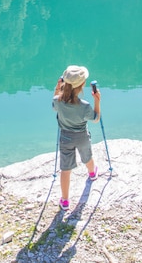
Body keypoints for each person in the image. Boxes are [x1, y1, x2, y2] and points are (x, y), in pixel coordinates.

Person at [52, 64, 101, 211]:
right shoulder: (84, 106)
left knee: (65, 169)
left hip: (65, 137)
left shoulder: (57, 101)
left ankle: (65, 201)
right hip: (82, 136)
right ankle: (92, 173)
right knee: (87, 155)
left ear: (64, 83)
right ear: (82, 85)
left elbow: (54, 104)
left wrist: (57, 88)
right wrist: (97, 100)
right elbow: (96, 118)